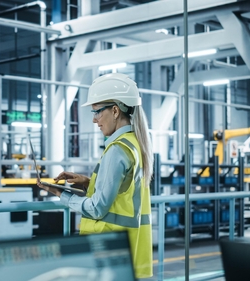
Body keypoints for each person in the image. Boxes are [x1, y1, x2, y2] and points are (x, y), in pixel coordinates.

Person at [37, 73, 154, 279]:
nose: (94, 119)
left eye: (97, 112)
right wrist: (87, 183)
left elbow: (98, 208)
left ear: (115, 111)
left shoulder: (117, 149)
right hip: (130, 246)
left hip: (108, 248)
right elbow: (123, 191)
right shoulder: (135, 143)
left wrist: (60, 194)